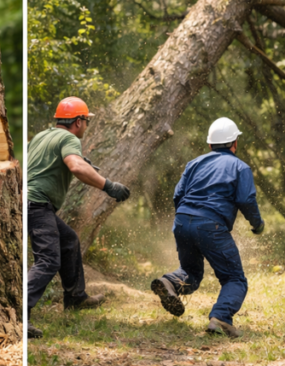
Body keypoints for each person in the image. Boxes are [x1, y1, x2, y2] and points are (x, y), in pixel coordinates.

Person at [26, 97, 131, 339]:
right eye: (86, 121)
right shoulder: (68, 138)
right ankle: (20, 316)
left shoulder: (42, 136)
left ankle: (75, 298)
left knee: (69, 241)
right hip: (37, 204)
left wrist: (81, 162)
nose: (86, 127)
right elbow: (75, 166)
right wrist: (109, 186)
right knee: (49, 261)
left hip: (32, 203)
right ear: (78, 121)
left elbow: (46, 164)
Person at [150, 117, 263, 338]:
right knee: (234, 279)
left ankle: (168, 282)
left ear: (210, 144)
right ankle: (221, 317)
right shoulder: (240, 167)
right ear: (234, 143)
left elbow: (178, 195)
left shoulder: (194, 163)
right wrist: (257, 224)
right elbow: (246, 200)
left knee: (190, 273)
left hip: (182, 220)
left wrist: (186, 221)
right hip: (210, 225)